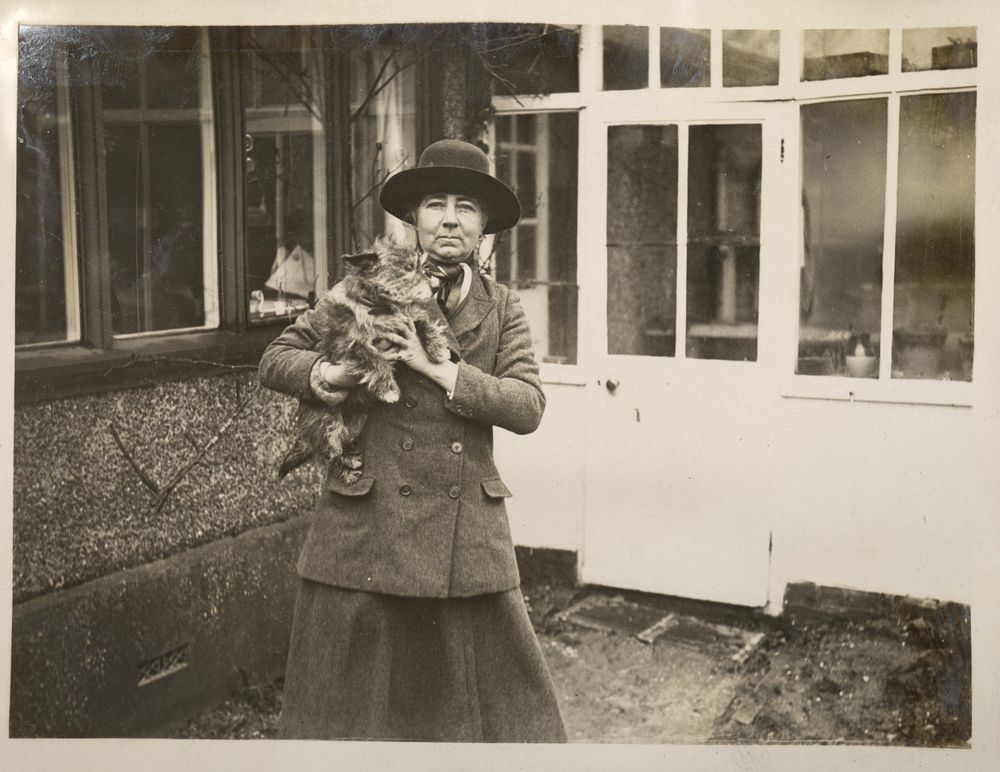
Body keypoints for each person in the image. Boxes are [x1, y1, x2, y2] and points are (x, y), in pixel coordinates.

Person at [258, 139, 567, 742]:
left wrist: (439, 371)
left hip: (463, 543)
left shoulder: (503, 309)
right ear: (413, 220)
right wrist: (329, 375)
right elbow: (277, 357)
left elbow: (527, 406)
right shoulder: (368, 286)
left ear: (484, 228)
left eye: (466, 207)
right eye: (434, 204)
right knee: (352, 719)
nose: (449, 218)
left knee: (470, 724)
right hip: (366, 526)